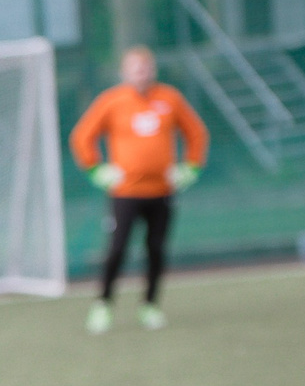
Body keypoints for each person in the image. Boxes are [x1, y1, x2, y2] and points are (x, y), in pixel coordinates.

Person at [69, 45, 208, 333]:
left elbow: (196, 133)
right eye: (135, 67)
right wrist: (97, 171)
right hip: (126, 193)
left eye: (145, 67)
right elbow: (82, 137)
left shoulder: (169, 98)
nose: (141, 73)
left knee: (156, 249)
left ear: (153, 69)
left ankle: (150, 306)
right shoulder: (112, 101)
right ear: (124, 72)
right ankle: (103, 305)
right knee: (117, 249)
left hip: (162, 191)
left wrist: (189, 168)